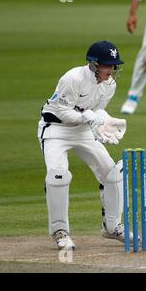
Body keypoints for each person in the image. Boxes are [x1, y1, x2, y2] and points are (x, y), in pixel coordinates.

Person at [38, 40, 134, 250]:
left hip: (82, 130)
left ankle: (112, 226)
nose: (111, 69)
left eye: (113, 65)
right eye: (107, 65)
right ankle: (60, 231)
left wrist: (101, 121)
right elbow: (62, 112)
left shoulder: (110, 85)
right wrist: (90, 118)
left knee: (112, 173)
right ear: (93, 64)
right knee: (58, 175)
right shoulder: (73, 78)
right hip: (56, 129)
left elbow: (96, 111)